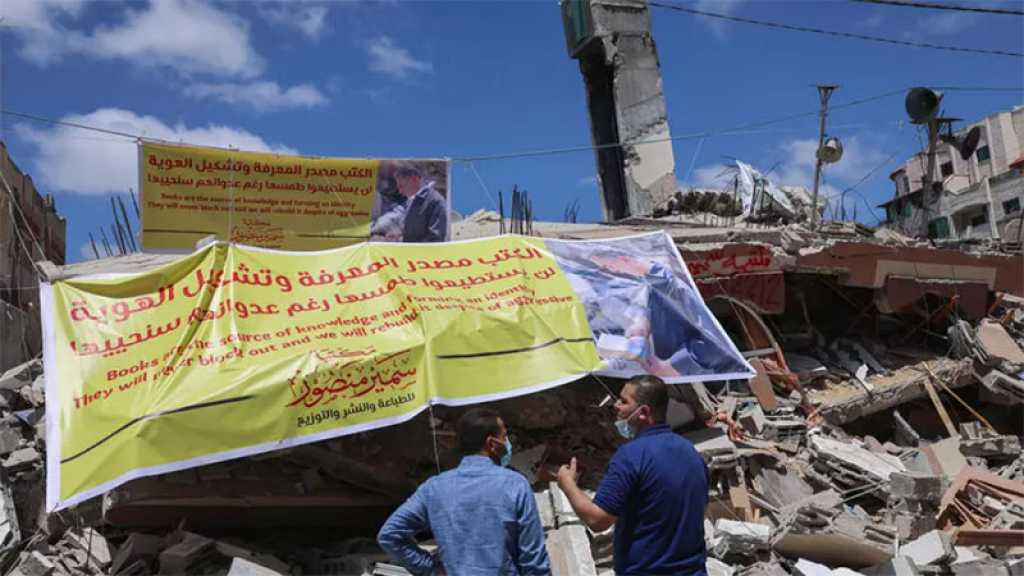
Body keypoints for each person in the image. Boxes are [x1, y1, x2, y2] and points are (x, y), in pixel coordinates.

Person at [557, 376, 709, 576]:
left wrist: (568, 484)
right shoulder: (691, 452)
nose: (616, 406)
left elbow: (597, 520)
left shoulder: (631, 456)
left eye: (624, 401)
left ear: (644, 412)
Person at [378, 409, 551, 576]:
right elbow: (533, 561)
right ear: (492, 444)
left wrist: (431, 569)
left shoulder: (434, 488)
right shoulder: (516, 485)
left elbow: (390, 535)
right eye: (505, 437)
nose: (508, 443)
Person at [396, 163, 448, 243]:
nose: (400, 191)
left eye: (401, 186)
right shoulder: (412, 201)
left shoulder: (435, 201)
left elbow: (435, 239)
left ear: (414, 179)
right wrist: (399, 237)